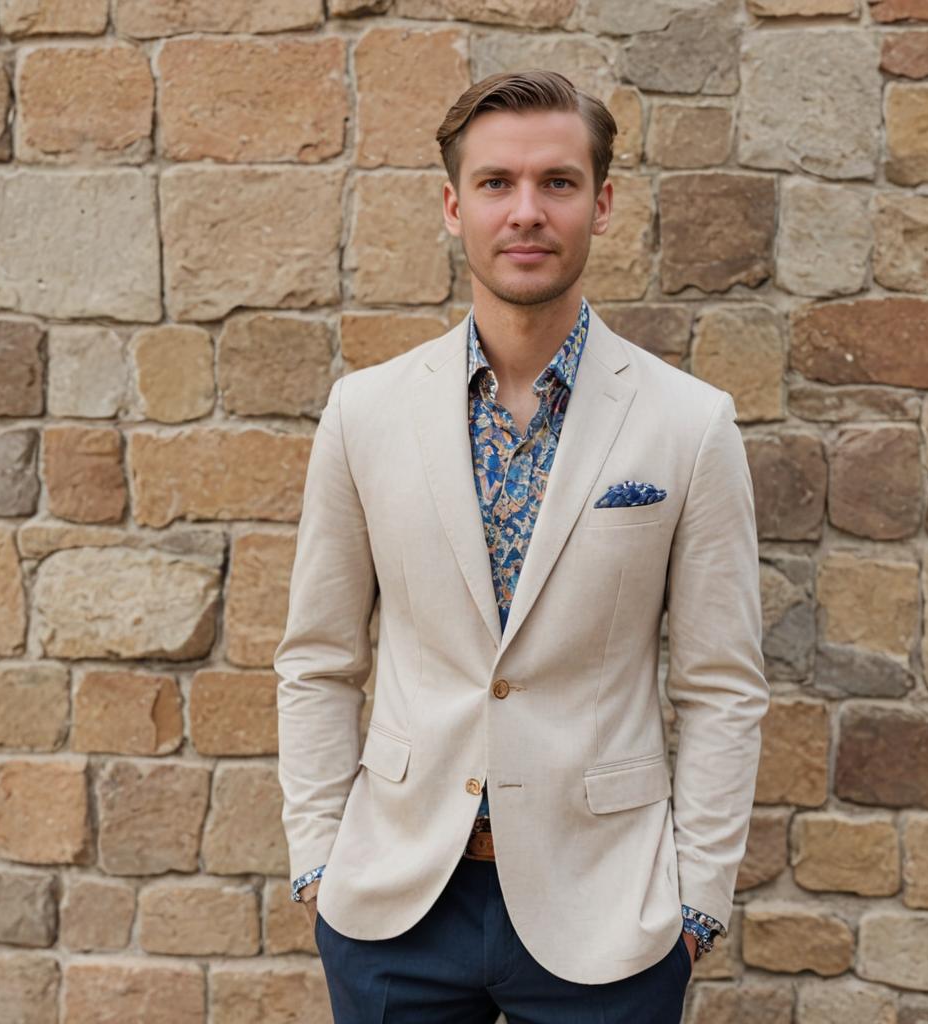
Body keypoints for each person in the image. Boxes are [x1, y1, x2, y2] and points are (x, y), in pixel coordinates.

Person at [275, 69, 769, 1023]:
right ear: (454, 207)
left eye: (558, 183)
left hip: (610, 907)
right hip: (396, 904)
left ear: (603, 203)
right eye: (498, 184)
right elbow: (319, 660)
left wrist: (696, 904)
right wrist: (319, 865)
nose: (527, 212)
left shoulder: (690, 425)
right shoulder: (365, 413)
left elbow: (721, 685)